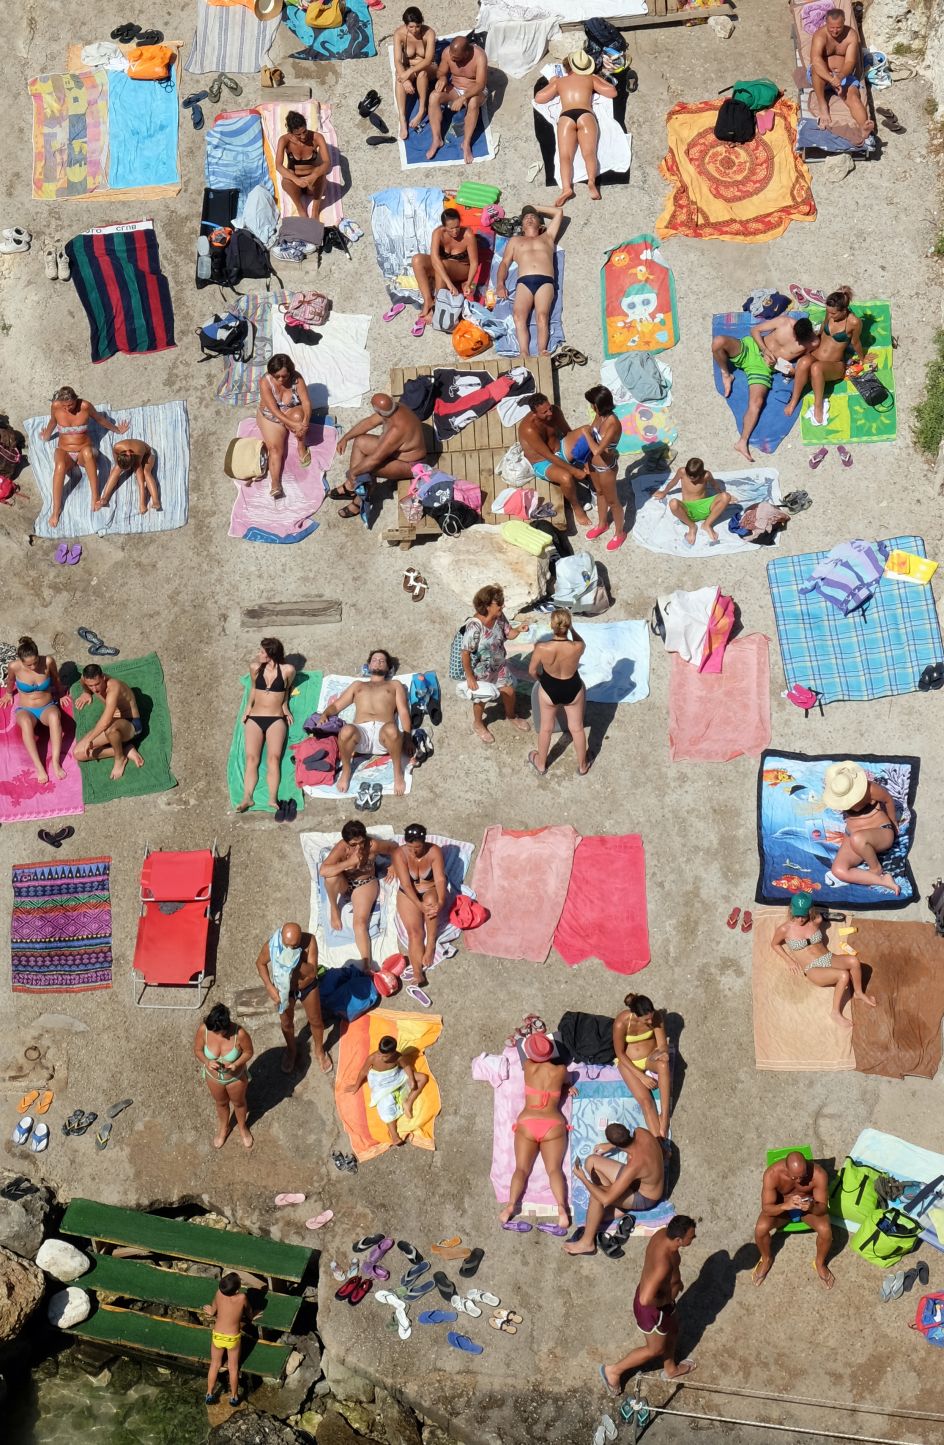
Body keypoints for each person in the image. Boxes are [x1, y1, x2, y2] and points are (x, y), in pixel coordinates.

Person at [600, 1216, 698, 1395]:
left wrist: (676, 1284)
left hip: (664, 1302)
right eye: (691, 1236)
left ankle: (670, 1369)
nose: (694, 1237)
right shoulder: (662, 1264)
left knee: (673, 1329)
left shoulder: (663, 1234)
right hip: (653, 1310)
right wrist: (666, 1300)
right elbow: (645, 1299)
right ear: (678, 1239)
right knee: (655, 1349)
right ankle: (613, 1371)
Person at [712, 317, 817, 461]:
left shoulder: (812, 343)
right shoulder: (785, 322)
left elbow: (798, 370)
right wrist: (764, 349)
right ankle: (726, 374)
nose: (797, 341)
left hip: (763, 368)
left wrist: (778, 366)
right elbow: (755, 330)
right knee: (718, 342)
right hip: (750, 348)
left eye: (800, 340)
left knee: (756, 403)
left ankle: (742, 442)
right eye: (795, 336)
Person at [500, 1031, 572, 1231]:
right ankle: (562, 1209)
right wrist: (566, 1087)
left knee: (521, 1169)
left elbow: (526, 1053)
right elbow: (566, 1080)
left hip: (528, 1122)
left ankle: (510, 1206)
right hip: (553, 1123)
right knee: (554, 1170)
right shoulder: (561, 1070)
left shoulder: (528, 1067)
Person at [315, 649, 412, 795]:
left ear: (388, 667)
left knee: (392, 729)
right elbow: (337, 705)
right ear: (368, 665)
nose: (378, 663)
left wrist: (408, 737)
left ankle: (397, 773)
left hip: (384, 735)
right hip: (361, 734)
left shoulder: (394, 685)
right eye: (374, 660)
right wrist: (325, 714)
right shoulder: (358, 685)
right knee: (346, 730)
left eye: (382, 661)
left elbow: (403, 711)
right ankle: (346, 771)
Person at [771, 892, 876, 1027]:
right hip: (812, 968)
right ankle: (835, 1013)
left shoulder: (816, 921)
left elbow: (821, 916)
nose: (800, 919)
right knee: (843, 975)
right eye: (797, 915)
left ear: (810, 911)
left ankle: (859, 993)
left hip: (828, 957)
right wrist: (789, 960)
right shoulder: (785, 929)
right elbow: (774, 944)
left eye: (803, 915)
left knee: (854, 961)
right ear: (791, 910)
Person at [565, 1122, 665, 1256]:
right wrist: (610, 1146)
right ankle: (615, 1208)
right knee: (591, 1161)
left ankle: (587, 1243)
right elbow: (631, 1144)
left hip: (645, 1197)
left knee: (598, 1196)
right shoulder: (642, 1132)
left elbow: (605, 1199)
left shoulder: (634, 1166)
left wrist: (583, 1178)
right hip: (642, 1179)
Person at [534, 49, 618, 206]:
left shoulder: (560, 81)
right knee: (589, 153)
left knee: (565, 156)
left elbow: (539, 98)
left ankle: (566, 189)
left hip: (566, 116)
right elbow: (612, 92)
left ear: (568, 67)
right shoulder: (590, 78)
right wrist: (599, 78)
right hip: (585, 114)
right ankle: (591, 182)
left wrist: (553, 82)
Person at [39, 386, 129, 529]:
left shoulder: (85, 406)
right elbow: (52, 422)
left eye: (70, 405)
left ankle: (95, 497)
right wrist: (46, 436)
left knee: (87, 453)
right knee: (60, 466)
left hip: (84, 450)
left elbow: (100, 419)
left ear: (76, 399)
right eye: (64, 406)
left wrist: (117, 430)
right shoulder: (56, 406)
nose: (67, 408)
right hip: (65, 451)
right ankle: (56, 509)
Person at [331, 394, 426, 519]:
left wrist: (352, 472)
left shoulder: (396, 430)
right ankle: (352, 485)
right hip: (395, 451)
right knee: (360, 442)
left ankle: (360, 500)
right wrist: (346, 438)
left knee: (366, 469)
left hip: (410, 464)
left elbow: (374, 460)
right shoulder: (392, 409)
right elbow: (369, 423)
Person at [319, 819, 399, 968]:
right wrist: (349, 863)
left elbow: (394, 847)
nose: (358, 847)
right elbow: (323, 870)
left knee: (360, 922)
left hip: (365, 883)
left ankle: (366, 963)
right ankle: (334, 908)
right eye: (353, 844)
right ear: (346, 842)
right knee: (330, 879)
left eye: (361, 842)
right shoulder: (342, 848)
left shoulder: (372, 845)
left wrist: (393, 865)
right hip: (345, 882)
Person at [255, 922, 331, 1076]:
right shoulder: (273, 945)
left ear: (300, 938)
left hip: (306, 987)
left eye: (294, 946)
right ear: (281, 937)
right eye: (287, 945)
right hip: (285, 990)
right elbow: (260, 963)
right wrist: (269, 986)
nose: (290, 948)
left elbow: (312, 973)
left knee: (316, 1021)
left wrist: (295, 962)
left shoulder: (309, 941)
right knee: (286, 1023)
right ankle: (291, 1050)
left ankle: (319, 1050)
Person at [785, 287, 867, 426]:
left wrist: (863, 359)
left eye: (833, 313)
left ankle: (818, 406)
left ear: (844, 310)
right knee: (804, 361)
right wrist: (814, 338)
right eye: (828, 311)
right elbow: (823, 327)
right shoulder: (830, 313)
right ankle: (794, 400)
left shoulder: (854, 322)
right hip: (816, 356)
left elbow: (856, 343)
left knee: (816, 368)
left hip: (834, 365)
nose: (830, 315)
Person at [460, 585, 531, 745]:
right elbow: (465, 653)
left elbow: (508, 633)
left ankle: (511, 715)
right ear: (487, 606)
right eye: (499, 603)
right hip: (481, 671)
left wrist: (519, 629)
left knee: (509, 691)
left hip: (499, 664)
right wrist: (470, 677)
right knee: (481, 700)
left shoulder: (499, 616)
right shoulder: (474, 627)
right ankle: (478, 723)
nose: (503, 605)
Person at [753, 1151, 834, 1288]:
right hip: (782, 1208)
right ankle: (766, 1259)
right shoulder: (772, 1174)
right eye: (794, 1177)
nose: (799, 1181)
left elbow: (823, 1208)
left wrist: (812, 1207)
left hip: (808, 1209)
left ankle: (819, 1263)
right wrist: (785, 1206)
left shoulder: (819, 1175)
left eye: (803, 1176)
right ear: (786, 1170)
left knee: (826, 1231)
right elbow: (767, 1208)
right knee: (760, 1229)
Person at [820, 760, 901, 893]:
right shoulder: (837, 793)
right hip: (853, 836)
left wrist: (894, 822)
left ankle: (875, 868)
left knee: (858, 838)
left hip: (880, 831)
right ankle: (883, 881)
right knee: (838, 870)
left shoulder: (870, 790)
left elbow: (888, 800)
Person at [236, 639, 296, 816]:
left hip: (276, 718)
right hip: (255, 717)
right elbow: (254, 688)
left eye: (262, 652)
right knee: (251, 758)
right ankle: (247, 797)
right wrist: (247, 708)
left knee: (274, 758)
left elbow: (286, 689)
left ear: (271, 654)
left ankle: (272, 798)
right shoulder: (255, 668)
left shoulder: (288, 670)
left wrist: (285, 707)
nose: (258, 654)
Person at [527, 608, 589, 777]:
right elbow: (581, 641)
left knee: (546, 728)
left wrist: (542, 680)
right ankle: (583, 766)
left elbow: (532, 671)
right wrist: (572, 630)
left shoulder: (541, 647)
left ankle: (541, 764)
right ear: (568, 626)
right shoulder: (578, 646)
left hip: (549, 688)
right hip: (572, 687)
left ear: (551, 625)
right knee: (577, 728)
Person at [496, 205, 563, 358]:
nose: (530, 218)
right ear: (522, 225)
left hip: (545, 281)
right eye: (526, 217)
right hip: (524, 281)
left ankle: (542, 350)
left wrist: (534, 206)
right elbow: (504, 263)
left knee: (542, 316)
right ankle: (524, 352)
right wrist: (500, 284)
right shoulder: (515, 241)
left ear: (540, 223)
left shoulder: (547, 237)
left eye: (533, 217)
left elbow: (558, 212)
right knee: (518, 316)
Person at [0, 636, 67, 784]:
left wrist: (61, 693)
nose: (33, 667)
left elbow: (56, 678)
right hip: (26, 709)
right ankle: (39, 766)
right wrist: (9, 694)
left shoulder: (48, 661)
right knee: (25, 723)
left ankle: (56, 762)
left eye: (35, 662)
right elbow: (10, 680)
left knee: (55, 718)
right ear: (21, 661)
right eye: (28, 665)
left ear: (38, 655)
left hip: (47, 707)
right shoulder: (14, 666)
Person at [518, 394, 592, 527]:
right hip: (543, 462)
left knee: (586, 431)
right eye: (544, 412)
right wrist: (575, 471)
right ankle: (576, 507)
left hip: (560, 449)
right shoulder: (528, 429)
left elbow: (567, 432)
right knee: (566, 478)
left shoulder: (555, 412)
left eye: (550, 408)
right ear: (534, 413)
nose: (550, 413)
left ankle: (589, 472)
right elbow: (548, 456)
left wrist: (584, 461)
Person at [392, 823, 447, 992]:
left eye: (417, 848)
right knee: (414, 933)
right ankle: (418, 973)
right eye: (410, 847)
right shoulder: (399, 854)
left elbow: (440, 879)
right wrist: (418, 905)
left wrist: (441, 902)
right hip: (408, 893)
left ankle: (430, 944)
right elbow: (406, 884)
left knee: (431, 901)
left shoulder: (434, 852)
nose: (413, 851)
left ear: (424, 842)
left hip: (430, 889)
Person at [192, 1004, 254, 1150]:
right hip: (213, 1078)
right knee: (221, 1103)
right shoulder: (204, 1030)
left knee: (239, 1103)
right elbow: (198, 1050)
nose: (218, 1034)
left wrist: (236, 1064)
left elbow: (249, 1052)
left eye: (220, 1031)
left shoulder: (240, 1034)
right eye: (214, 1031)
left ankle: (243, 1128)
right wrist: (207, 1062)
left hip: (235, 1078)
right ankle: (223, 1128)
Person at [347, 1033, 427, 1145]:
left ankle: (408, 1102)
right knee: (385, 1106)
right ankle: (394, 1136)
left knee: (423, 1078)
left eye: (385, 1056)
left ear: (393, 1052)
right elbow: (363, 1072)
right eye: (380, 1053)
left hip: (395, 1076)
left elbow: (406, 1067)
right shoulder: (373, 1058)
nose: (382, 1057)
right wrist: (356, 1086)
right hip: (380, 1083)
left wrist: (412, 1079)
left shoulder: (398, 1057)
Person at [809, 10, 874, 144]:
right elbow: (816, 60)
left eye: (838, 27)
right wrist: (831, 79)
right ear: (826, 23)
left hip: (844, 75)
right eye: (831, 27)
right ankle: (822, 105)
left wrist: (840, 77)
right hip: (823, 76)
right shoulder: (820, 36)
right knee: (816, 69)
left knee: (853, 97)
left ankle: (864, 127)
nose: (835, 31)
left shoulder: (851, 35)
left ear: (844, 22)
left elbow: (850, 61)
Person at [612, 993, 672, 1138]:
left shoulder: (656, 1017)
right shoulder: (621, 1023)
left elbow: (662, 1045)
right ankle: (659, 1141)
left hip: (649, 1057)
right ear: (635, 1015)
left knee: (664, 1065)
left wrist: (663, 1053)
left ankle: (664, 1117)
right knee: (646, 1102)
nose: (651, 1021)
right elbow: (620, 1053)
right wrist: (641, 1077)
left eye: (651, 1016)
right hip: (628, 1062)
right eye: (646, 1019)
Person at [256, 355, 312, 500]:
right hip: (271, 416)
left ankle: (301, 446)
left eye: (284, 376)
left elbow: (306, 402)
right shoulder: (265, 381)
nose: (281, 379)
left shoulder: (297, 379)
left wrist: (305, 423)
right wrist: (294, 425)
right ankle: (275, 483)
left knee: (299, 418)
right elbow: (274, 410)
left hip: (290, 410)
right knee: (275, 449)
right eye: (277, 376)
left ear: (290, 372)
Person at [73, 664, 143, 781]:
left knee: (110, 729)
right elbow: (83, 681)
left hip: (131, 724)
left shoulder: (113, 687)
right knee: (79, 753)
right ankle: (125, 749)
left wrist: (90, 739)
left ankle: (120, 758)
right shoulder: (85, 680)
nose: (95, 689)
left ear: (103, 678)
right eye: (90, 686)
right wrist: (87, 692)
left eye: (97, 684)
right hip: (113, 720)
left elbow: (105, 722)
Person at [412, 208, 480, 326]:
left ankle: (437, 305)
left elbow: (474, 263)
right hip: (443, 267)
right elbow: (434, 259)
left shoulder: (468, 235)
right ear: (444, 227)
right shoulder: (438, 233)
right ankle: (428, 300)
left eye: (457, 226)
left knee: (443, 265)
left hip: (462, 268)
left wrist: (468, 283)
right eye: (451, 229)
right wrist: (449, 284)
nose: (455, 231)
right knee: (417, 259)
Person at [426, 36, 488, 165]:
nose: (453, 59)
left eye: (456, 58)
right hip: (455, 88)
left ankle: (466, 143)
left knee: (473, 103)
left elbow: (480, 85)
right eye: (451, 56)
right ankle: (437, 139)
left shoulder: (479, 56)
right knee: (433, 96)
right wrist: (442, 78)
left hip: (475, 91)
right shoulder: (447, 53)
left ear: (466, 53)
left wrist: (463, 98)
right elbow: (441, 72)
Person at [649, 457, 732, 547]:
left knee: (726, 496)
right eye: (689, 476)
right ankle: (692, 527)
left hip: (704, 507)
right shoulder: (682, 471)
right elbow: (673, 482)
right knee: (673, 503)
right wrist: (664, 492)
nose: (691, 479)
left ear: (700, 473)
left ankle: (707, 524)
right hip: (688, 509)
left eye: (694, 477)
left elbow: (715, 484)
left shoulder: (706, 475)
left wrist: (721, 498)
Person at [581, 385, 625, 550]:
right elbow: (593, 433)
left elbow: (597, 449)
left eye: (593, 404)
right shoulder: (599, 416)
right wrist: (586, 461)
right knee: (599, 493)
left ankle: (620, 533)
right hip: (594, 464)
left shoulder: (613, 424)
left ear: (599, 405)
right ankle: (602, 524)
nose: (591, 407)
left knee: (613, 502)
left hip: (607, 468)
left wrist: (585, 434)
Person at [204, 1272, 254, 1407]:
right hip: (232, 1338)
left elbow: (213, 1311)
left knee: (215, 1364)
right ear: (237, 1290)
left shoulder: (218, 1293)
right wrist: (254, 1314)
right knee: (233, 1367)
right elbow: (249, 1314)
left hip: (217, 1335)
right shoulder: (242, 1297)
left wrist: (210, 1310)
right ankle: (234, 1397)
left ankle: (209, 1393)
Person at [275, 110, 331, 219]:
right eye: (298, 135)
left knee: (321, 173)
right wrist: (296, 180)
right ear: (290, 133)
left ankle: (315, 210)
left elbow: (327, 162)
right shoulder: (284, 140)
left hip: (312, 182)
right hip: (296, 183)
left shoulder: (317, 137)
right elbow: (278, 166)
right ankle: (301, 209)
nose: (303, 136)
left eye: (304, 131)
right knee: (286, 180)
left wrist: (313, 176)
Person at [394, 7, 437, 139]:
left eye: (418, 26)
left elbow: (428, 59)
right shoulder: (399, 34)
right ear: (405, 25)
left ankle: (422, 109)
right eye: (411, 27)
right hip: (409, 66)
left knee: (422, 73)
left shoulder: (429, 33)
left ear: (422, 22)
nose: (415, 30)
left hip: (427, 67)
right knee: (399, 79)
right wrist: (405, 79)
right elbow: (397, 60)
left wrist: (409, 72)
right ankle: (402, 118)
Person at [99, 437, 161, 515]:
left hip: (148, 454)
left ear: (132, 463)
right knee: (116, 469)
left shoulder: (137, 459)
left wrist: (142, 505)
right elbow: (116, 459)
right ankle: (105, 497)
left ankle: (156, 501)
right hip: (132, 454)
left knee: (146, 472)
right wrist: (118, 464)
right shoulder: (116, 447)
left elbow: (141, 484)